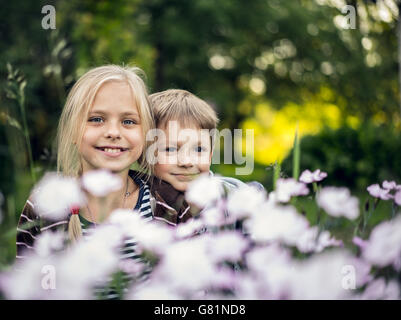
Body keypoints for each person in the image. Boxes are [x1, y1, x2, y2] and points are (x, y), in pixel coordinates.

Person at [16, 65, 192, 262]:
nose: (113, 132)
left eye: (128, 122)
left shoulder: (170, 203)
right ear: (73, 131)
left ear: (146, 134)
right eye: (97, 119)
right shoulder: (44, 206)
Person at [148, 89, 264, 220]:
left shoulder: (233, 195)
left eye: (198, 149)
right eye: (170, 149)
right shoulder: (140, 203)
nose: (186, 161)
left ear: (210, 155)